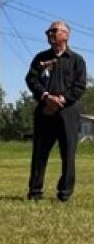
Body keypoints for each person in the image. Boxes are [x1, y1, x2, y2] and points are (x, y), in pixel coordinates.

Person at [25, 21, 87, 202]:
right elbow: (31, 79)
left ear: (66, 35)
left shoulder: (76, 60)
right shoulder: (40, 58)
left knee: (67, 154)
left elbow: (80, 85)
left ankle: (65, 193)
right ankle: (35, 192)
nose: (50, 34)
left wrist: (62, 99)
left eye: (54, 31)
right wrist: (45, 96)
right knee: (39, 153)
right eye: (48, 32)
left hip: (67, 112)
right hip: (45, 110)